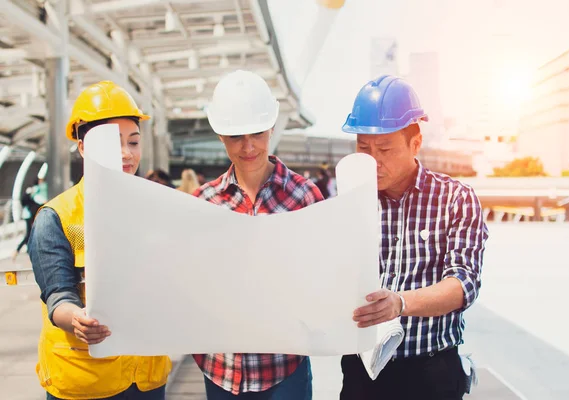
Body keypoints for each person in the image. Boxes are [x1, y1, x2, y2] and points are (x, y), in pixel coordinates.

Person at [339, 75, 489, 400]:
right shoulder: (348, 199)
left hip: (430, 374)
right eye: (363, 148)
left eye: (385, 149)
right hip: (360, 372)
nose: (373, 160)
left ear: (415, 143)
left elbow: (464, 284)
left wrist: (401, 303)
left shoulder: (455, 199)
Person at [27, 81, 171, 400]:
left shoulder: (158, 208)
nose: (126, 153)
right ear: (82, 145)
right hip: (86, 382)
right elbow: (58, 294)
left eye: (133, 142)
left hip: (146, 378)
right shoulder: (56, 217)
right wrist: (76, 319)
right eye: (113, 142)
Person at [192, 70, 323, 399]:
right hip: (222, 368)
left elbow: (325, 278)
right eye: (236, 137)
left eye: (257, 133)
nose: (248, 146)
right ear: (220, 136)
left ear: (272, 128)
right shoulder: (202, 202)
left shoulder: (305, 197)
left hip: (284, 367)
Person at [11, 189, 42, 261]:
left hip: (28, 216)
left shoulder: (28, 201)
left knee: (29, 234)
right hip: (29, 217)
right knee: (28, 235)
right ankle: (17, 250)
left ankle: (27, 250)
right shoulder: (32, 197)